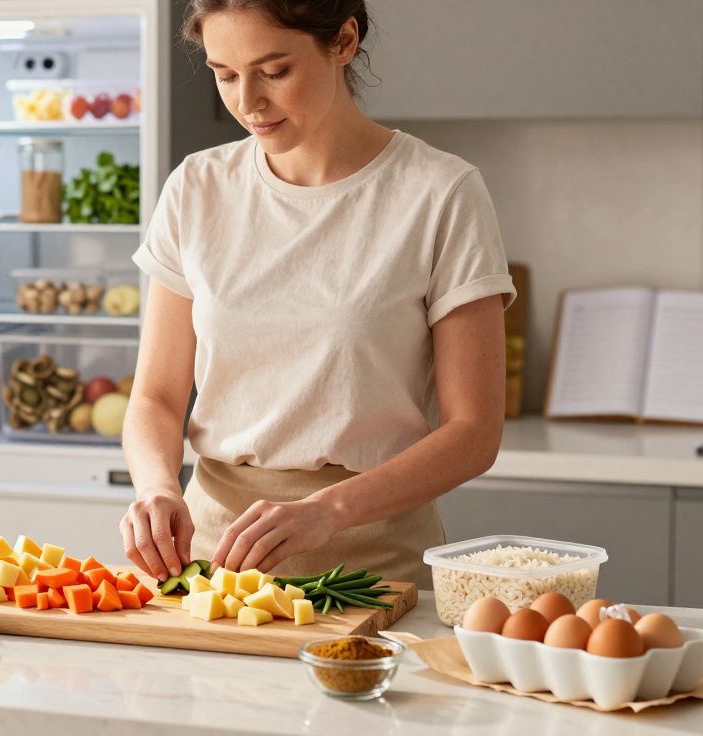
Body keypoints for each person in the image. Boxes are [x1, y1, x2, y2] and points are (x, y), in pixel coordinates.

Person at [119, 0, 516, 588]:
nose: (248, 102)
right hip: (210, 568)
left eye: (274, 71)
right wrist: (156, 488)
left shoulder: (440, 193)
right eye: (225, 75)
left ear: (344, 42)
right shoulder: (195, 188)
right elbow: (154, 396)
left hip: (373, 570)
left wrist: (327, 511)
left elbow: (474, 432)